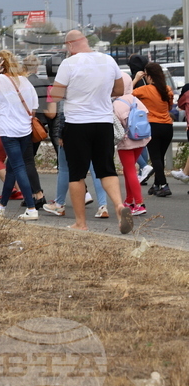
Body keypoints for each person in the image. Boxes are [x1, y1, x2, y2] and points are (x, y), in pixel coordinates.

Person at [48, 31, 133, 234]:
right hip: (103, 123)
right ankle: (119, 206)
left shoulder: (69, 64)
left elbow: (57, 95)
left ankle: (80, 223)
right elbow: (119, 89)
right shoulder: (108, 60)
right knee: (106, 169)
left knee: (76, 174)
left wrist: (74, 91)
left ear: (70, 45)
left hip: (77, 124)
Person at [0, 51, 40, 220]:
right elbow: (33, 109)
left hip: (8, 130)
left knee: (18, 167)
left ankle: (32, 207)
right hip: (25, 130)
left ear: (0, 64)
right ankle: (1, 205)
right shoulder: (25, 81)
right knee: (11, 167)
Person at [132, 62, 174, 198]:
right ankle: (156, 185)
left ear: (148, 76)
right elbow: (169, 108)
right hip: (167, 126)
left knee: (155, 157)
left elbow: (128, 93)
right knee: (160, 157)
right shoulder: (167, 89)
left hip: (153, 125)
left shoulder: (145, 89)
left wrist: (136, 79)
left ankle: (163, 185)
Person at [113, 73, 150, 215]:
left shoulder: (116, 103)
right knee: (130, 170)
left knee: (130, 171)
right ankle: (129, 201)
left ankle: (140, 203)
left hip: (126, 141)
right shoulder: (135, 99)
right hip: (141, 138)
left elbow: (116, 125)